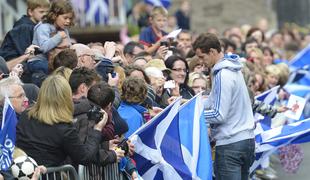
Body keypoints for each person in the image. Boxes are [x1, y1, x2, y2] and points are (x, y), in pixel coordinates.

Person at [193, 33, 255, 180]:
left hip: (230, 145)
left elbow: (218, 114)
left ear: (213, 52)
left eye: (202, 57)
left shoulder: (222, 74)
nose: (201, 62)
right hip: (246, 141)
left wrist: (192, 115)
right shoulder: (233, 68)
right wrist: (188, 104)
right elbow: (212, 101)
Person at [16, 75, 109, 167]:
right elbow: (84, 157)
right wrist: (97, 130)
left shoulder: (26, 115)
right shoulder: (64, 128)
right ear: (66, 97)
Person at [27, 0, 74, 77]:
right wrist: (58, 37)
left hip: (53, 61)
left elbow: (69, 45)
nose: (68, 21)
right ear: (54, 15)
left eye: (70, 18)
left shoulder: (63, 28)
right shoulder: (43, 27)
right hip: (38, 62)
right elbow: (43, 47)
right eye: (65, 18)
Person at [0, 76, 29, 179]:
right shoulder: (4, 124)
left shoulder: (21, 117)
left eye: (25, 95)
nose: (26, 99)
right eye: (20, 96)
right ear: (5, 100)